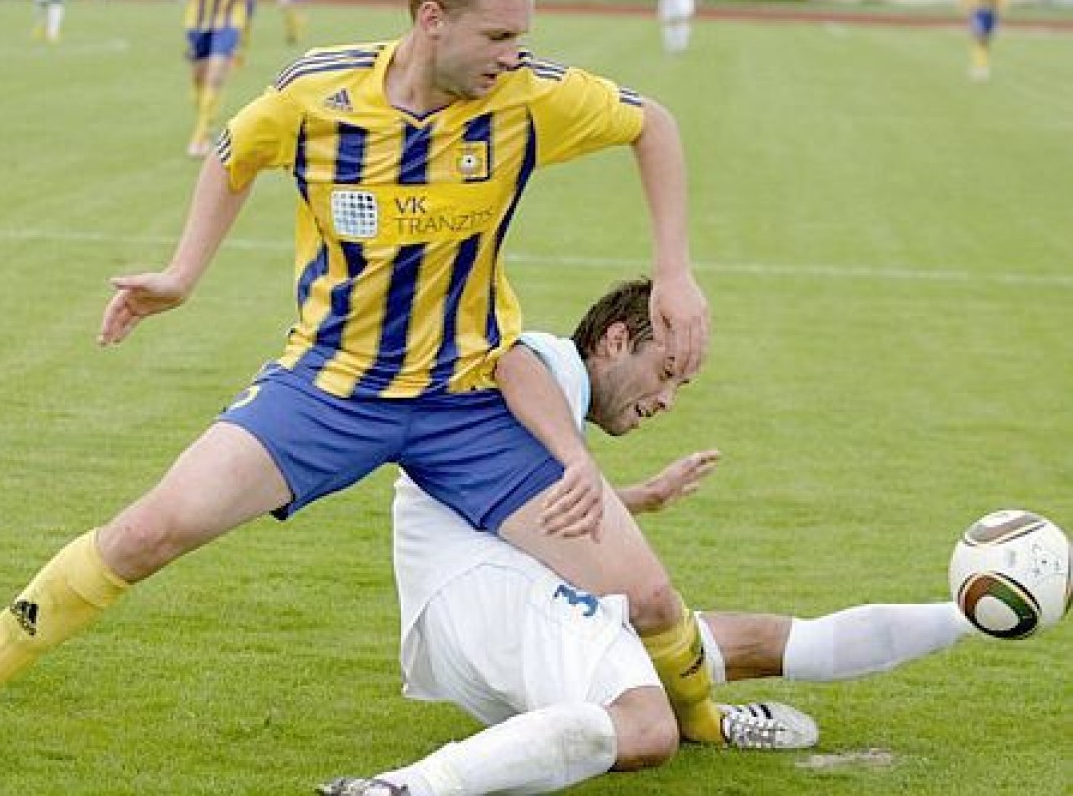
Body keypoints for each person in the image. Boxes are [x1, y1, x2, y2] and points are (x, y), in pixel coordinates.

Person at [0, 0, 715, 777]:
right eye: (498, 35)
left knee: (648, 595)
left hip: (469, 400)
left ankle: (711, 722)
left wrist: (675, 272)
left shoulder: (528, 100)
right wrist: (182, 274)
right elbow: (233, 153)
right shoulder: (319, 94)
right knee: (147, 530)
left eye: (521, 36)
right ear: (432, 19)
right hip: (329, 389)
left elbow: (654, 124)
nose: (515, 54)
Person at [319, 278, 971, 795]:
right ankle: (407, 787)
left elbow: (531, 510)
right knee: (650, 723)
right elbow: (514, 361)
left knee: (742, 641)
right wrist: (580, 461)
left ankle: (971, 616)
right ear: (612, 341)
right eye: (665, 372)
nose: (667, 401)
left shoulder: (529, 432)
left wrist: (637, 496)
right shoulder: (552, 363)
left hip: (476, 606)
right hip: (485, 598)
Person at [166, 0, 270, 157]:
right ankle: (206, 119)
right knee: (199, 77)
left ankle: (200, 135)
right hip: (199, 17)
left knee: (215, 73)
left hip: (232, 15)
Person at [961, 0, 1008, 81]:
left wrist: (1000, 7)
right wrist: (967, 6)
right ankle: (980, 68)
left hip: (991, 11)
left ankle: (983, 66)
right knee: (979, 37)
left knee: (986, 41)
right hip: (978, 10)